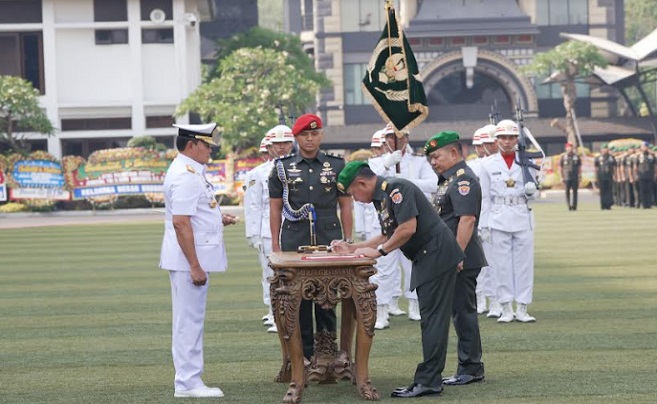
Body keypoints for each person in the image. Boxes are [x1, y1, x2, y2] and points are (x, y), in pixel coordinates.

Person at [332, 161, 464, 398]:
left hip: (436, 254)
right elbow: (388, 233)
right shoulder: (380, 195)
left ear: (362, 183)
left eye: (353, 192)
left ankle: (429, 381)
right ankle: (428, 378)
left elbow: (407, 229)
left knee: (433, 319)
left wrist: (380, 251)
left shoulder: (396, 188)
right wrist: (354, 249)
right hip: (427, 255)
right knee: (430, 317)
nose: (354, 198)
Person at [160, 123, 238, 398]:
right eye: (206, 146)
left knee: (190, 319)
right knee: (188, 321)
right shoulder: (185, 175)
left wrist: (219, 219)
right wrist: (195, 265)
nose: (210, 150)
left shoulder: (190, 171)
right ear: (191, 145)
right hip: (188, 261)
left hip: (190, 258)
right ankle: (188, 382)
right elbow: (181, 223)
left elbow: (195, 213)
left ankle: (189, 379)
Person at [268, 113, 353, 360]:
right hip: (295, 238)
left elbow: (346, 205)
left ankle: (328, 352)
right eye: (304, 135)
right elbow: (274, 207)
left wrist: (348, 240)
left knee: (328, 296)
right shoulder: (282, 167)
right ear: (296, 137)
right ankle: (304, 354)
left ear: (321, 135)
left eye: (314, 134)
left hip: (329, 238)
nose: (310, 139)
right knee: (299, 300)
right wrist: (275, 244)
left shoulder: (337, 165)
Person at [425, 131, 487, 386]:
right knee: (459, 312)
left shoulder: (463, 180)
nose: (433, 162)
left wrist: (456, 255)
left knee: (463, 313)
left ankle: (471, 368)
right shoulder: (447, 180)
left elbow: (467, 219)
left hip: (462, 257)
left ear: (454, 152)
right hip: (454, 256)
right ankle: (468, 366)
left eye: (436, 156)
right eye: (430, 158)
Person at [368, 124, 438, 321]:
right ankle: (381, 310)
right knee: (384, 268)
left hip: (410, 218)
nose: (394, 141)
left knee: (412, 265)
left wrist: (406, 182)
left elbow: (433, 183)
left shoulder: (418, 161)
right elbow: (370, 182)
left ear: (406, 138)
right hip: (385, 221)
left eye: (398, 136)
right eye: (390, 137)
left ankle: (415, 306)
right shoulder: (376, 162)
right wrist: (387, 165)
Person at [479, 119, 537, 323]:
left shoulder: (528, 161)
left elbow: (535, 192)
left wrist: (533, 192)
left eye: (511, 137)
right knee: (501, 265)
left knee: (524, 265)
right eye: (502, 137)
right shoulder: (486, 164)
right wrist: (483, 224)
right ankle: (505, 307)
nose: (506, 141)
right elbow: (485, 197)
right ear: (496, 140)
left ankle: (522, 307)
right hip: (497, 216)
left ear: (517, 139)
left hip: (522, 214)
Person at [244, 125, 295, 333]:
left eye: (285, 143)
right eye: (277, 144)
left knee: (295, 274)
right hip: (267, 229)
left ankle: (293, 315)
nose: (281, 148)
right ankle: (275, 315)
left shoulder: (299, 167)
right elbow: (253, 205)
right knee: (270, 274)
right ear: (270, 146)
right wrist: (253, 233)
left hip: (294, 228)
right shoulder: (258, 173)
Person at [559, 142, 581, 211]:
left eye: (571, 147)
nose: (570, 149)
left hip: (575, 176)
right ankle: (569, 205)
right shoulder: (563, 157)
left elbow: (579, 167)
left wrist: (580, 176)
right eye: (568, 147)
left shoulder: (576, 156)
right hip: (566, 177)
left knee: (575, 192)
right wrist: (561, 177)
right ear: (566, 148)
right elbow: (560, 168)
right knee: (567, 192)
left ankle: (574, 206)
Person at [594, 143, 616, 210]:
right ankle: (603, 205)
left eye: (606, 148)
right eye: (603, 148)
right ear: (601, 150)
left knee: (609, 191)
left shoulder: (611, 157)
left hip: (609, 176)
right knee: (602, 191)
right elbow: (596, 167)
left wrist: (614, 175)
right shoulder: (598, 157)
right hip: (601, 176)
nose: (605, 150)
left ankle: (608, 205)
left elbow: (614, 166)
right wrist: (596, 176)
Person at [635, 141, 656, 208]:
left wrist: (655, 173)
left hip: (649, 174)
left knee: (649, 190)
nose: (645, 148)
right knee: (642, 190)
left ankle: (648, 204)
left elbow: (655, 165)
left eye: (646, 146)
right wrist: (636, 174)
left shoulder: (651, 155)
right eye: (643, 146)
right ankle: (644, 204)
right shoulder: (638, 156)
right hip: (641, 174)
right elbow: (636, 166)